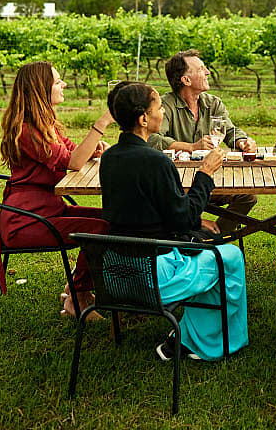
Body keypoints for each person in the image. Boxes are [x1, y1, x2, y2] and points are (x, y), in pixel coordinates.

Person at [101, 82, 249, 361]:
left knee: (213, 255)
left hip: (115, 271)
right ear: (144, 118)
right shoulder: (156, 162)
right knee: (229, 256)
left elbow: (146, 209)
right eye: (158, 108)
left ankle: (188, 337)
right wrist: (204, 173)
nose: (162, 113)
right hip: (155, 275)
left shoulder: (109, 158)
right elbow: (185, 220)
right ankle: (207, 344)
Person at [0, 61, 113, 319]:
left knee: (111, 218)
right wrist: (103, 121)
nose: (63, 85)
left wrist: (92, 149)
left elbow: (72, 154)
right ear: (41, 89)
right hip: (26, 220)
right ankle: (78, 296)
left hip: (48, 209)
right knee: (100, 230)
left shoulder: (45, 124)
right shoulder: (28, 130)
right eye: (57, 81)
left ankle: (78, 287)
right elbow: (73, 163)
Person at [147, 49, 257, 235]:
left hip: (209, 179)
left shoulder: (213, 103)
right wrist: (191, 147)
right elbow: (152, 140)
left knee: (247, 196)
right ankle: (193, 228)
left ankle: (214, 236)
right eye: (201, 69)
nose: (207, 72)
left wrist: (242, 141)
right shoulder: (165, 105)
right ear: (186, 80)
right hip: (177, 185)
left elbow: (229, 131)